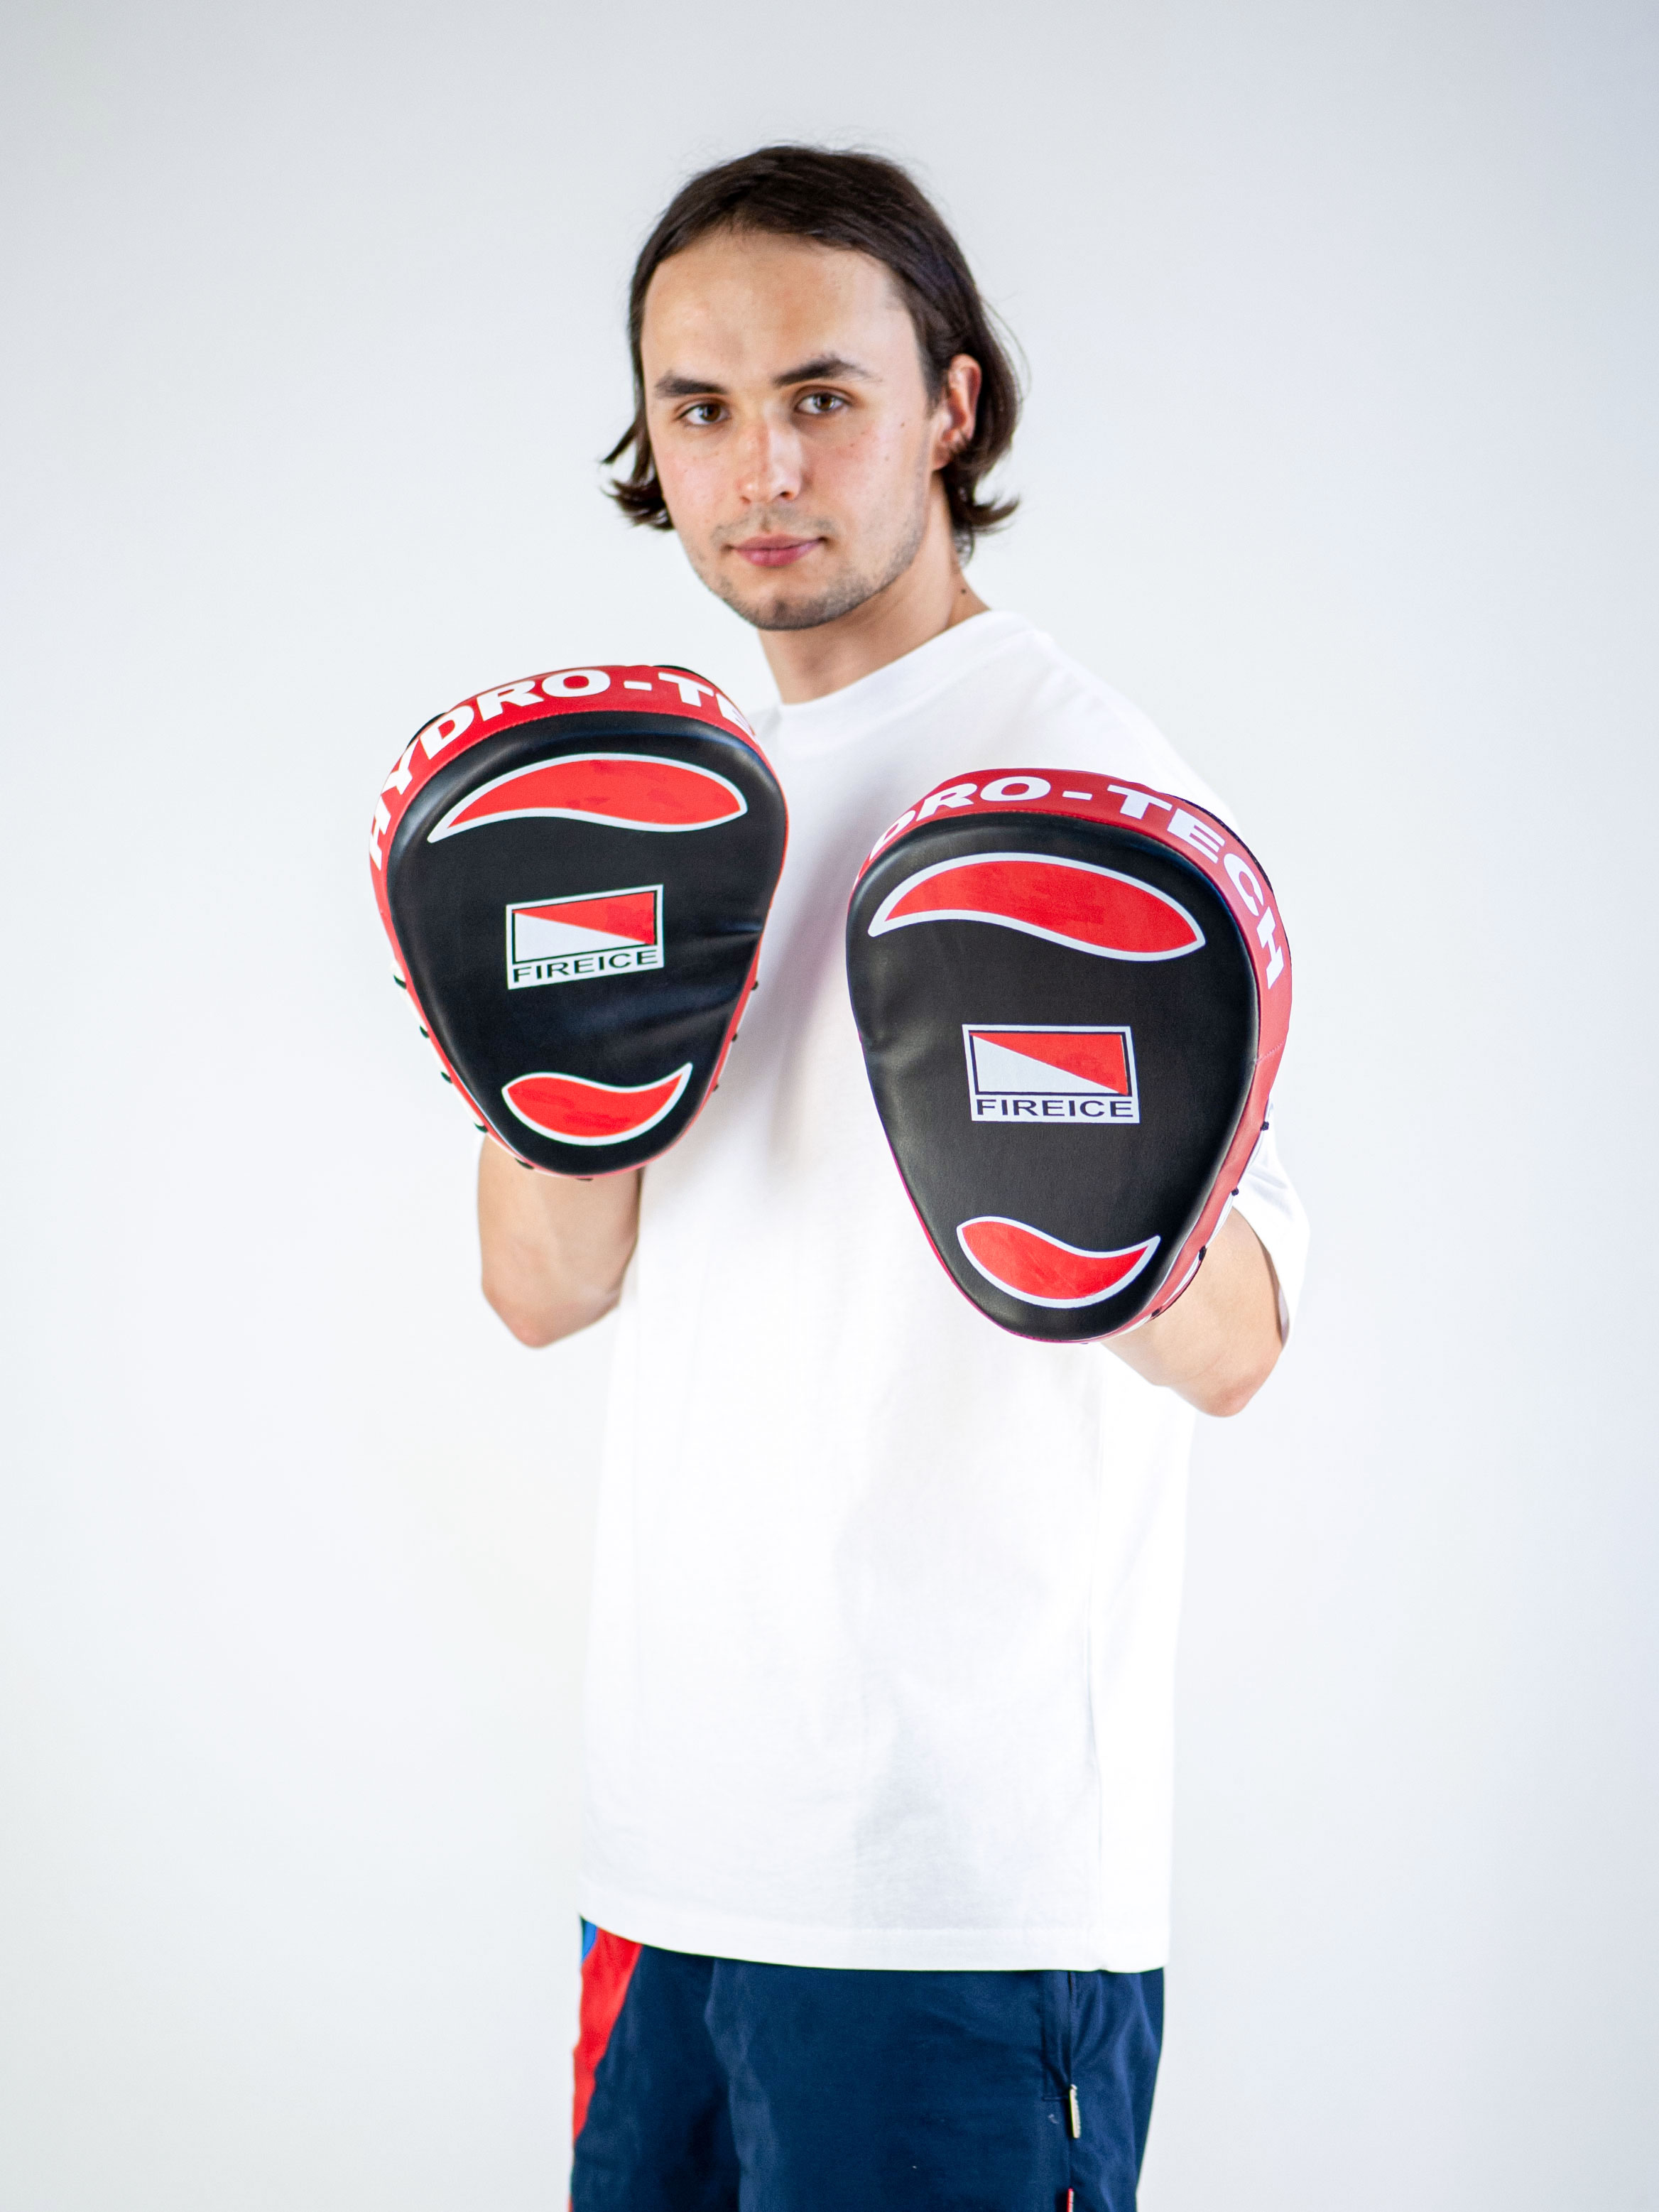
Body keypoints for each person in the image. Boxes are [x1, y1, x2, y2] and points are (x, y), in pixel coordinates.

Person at [479, 146, 1309, 2211]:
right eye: (701, 409)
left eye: (822, 396)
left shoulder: (1091, 789)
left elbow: (1239, 1344)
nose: (762, 467)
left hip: (950, 1908)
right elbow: (545, 1286)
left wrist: (1096, 1186)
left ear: (949, 407)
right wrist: (537, 1060)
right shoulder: (662, 810)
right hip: (663, 1874)